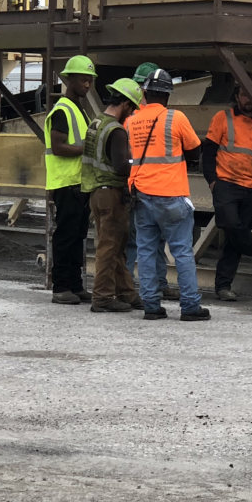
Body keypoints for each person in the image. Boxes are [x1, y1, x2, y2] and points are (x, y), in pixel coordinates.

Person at [127, 69, 210, 322]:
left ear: (145, 93)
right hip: (172, 194)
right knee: (182, 251)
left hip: (141, 194)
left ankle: (151, 306)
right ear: (168, 95)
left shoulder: (131, 121)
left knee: (146, 251)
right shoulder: (176, 118)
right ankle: (190, 306)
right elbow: (195, 151)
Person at [202, 78, 252, 301]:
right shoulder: (223, 118)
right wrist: (212, 181)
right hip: (226, 184)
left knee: (234, 238)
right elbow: (208, 152)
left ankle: (223, 286)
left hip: (251, 188)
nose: (247, 99)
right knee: (231, 226)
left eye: (251, 95)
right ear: (237, 96)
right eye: (244, 94)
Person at [80, 78, 144, 313]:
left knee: (115, 246)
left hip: (96, 192)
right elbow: (121, 166)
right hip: (111, 194)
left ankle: (126, 292)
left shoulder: (96, 123)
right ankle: (103, 297)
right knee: (109, 247)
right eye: (132, 108)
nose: (132, 113)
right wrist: (138, 163)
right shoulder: (116, 131)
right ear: (125, 103)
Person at [124, 61, 178, 301]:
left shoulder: (131, 118)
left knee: (143, 241)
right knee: (144, 241)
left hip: (137, 186)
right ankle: (141, 286)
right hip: (155, 187)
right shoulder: (160, 117)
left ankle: (138, 287)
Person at [45, 55, 95, 305]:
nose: (87, 84)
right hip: (66, 183)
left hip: (79, 182)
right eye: (83, 79)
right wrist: (87, 149)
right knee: (66, 236)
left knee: (77, 236)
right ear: (69, 80)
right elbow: (58, 147)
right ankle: (61, 287)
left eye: (90, 80)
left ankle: (75, 285)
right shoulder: (63, 110)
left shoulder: (78, 110)